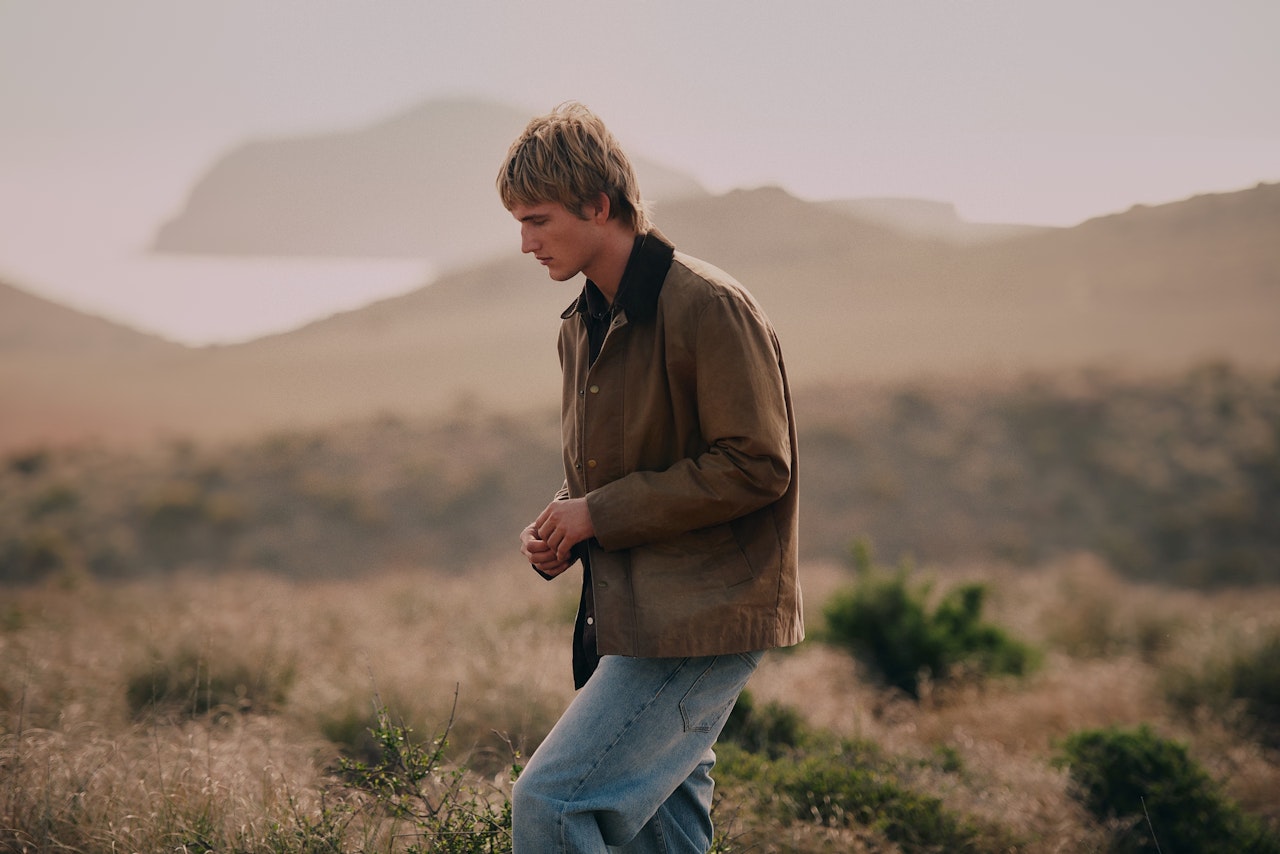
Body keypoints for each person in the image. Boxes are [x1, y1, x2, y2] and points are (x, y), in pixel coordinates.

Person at [496, 102, 803, 854]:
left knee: (553, 805)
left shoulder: (709, 306)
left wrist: (597, 513)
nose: (525, 243)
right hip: (634, 617)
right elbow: (624, 471)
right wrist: (566, 525)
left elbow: (758, 465)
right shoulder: (578, 326)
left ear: (599, 206)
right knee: (664, 843)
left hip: (703, 616)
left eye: (538, 220)